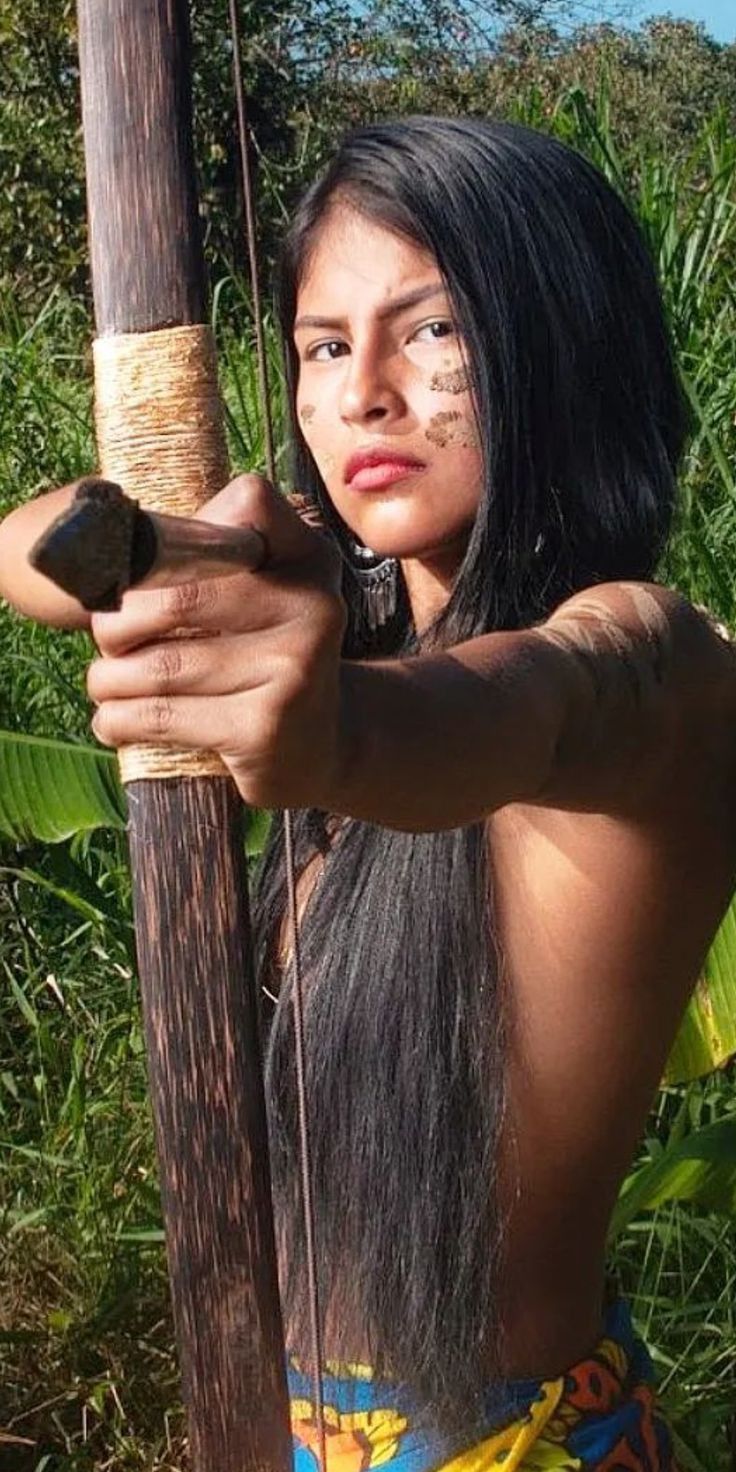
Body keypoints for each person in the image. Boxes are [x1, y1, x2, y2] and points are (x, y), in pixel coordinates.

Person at [1, 116, 735, 1470]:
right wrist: (171, 530)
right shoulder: (357, 623)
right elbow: (28, 551)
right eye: (325, 346)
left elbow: (508, 707)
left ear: (561, 339)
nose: (363, 396)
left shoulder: (658, 661)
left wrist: (334, 733)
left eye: (436, 331)